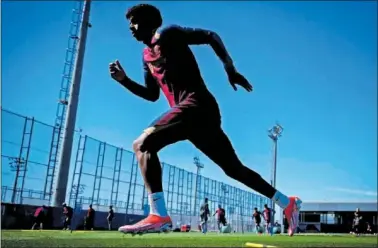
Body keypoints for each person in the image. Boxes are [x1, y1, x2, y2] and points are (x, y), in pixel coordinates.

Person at [110, 3, 301, 236]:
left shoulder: (169, 34)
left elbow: (210, 36)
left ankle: (158, 214)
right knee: (234, 169)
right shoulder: (146, 56)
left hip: (197, 105)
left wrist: (230, 69)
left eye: (135, 21)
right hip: (192, 119)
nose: (131, 27)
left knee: (142, 144)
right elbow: (152, 95)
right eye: (129, 23)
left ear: (151, 22)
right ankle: (286, 202)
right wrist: (124, 80)